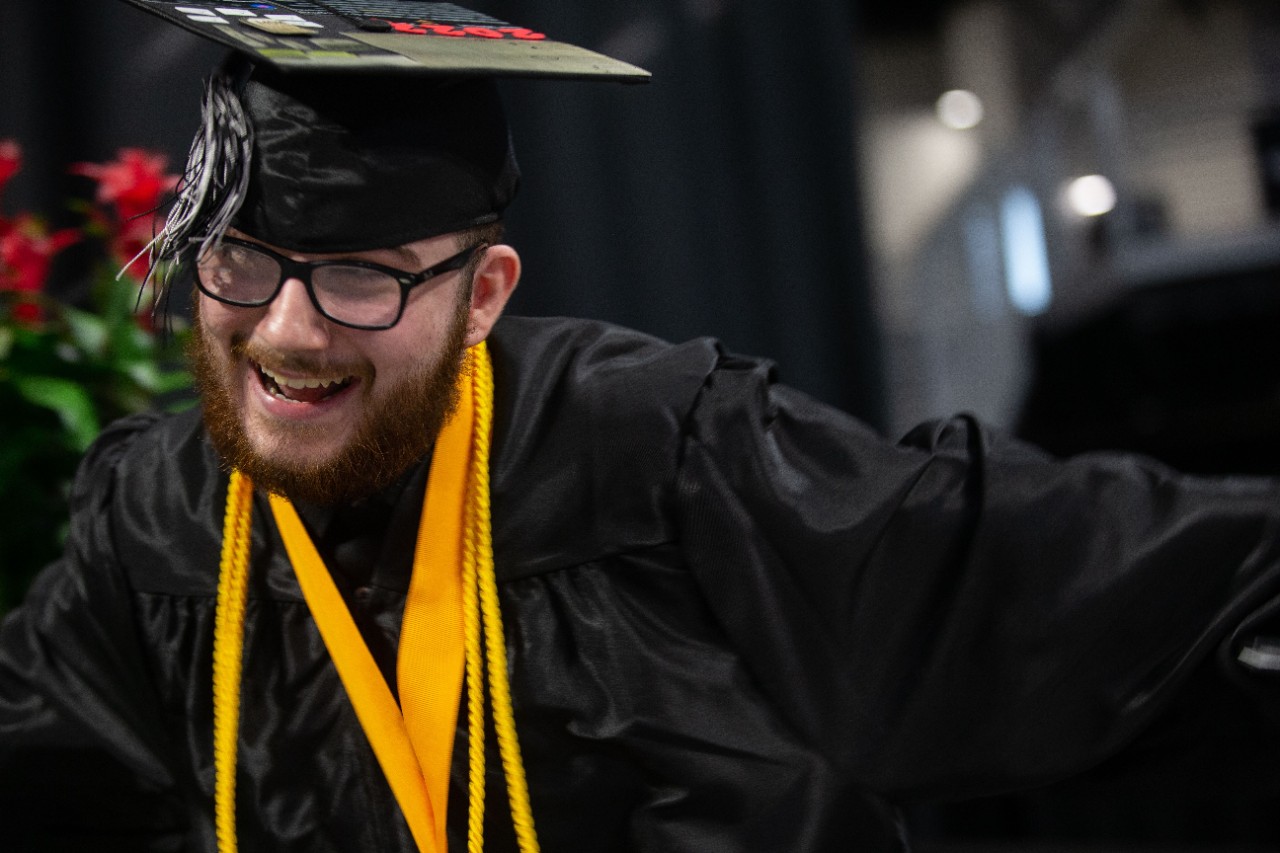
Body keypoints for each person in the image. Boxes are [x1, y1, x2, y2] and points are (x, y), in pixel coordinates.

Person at [2, 6, 1280, 853]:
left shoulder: (654, 452)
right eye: (240, 263)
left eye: (361, 274)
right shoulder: (157, 517)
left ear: (483, 294)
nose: (286, 331)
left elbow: (1026, 577)